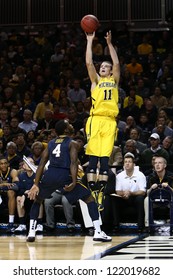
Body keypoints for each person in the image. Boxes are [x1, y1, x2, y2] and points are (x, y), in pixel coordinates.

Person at [26, 120, 111, 242]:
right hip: (64, 175)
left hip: (50, 175)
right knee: (89, 199)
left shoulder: (50, 143)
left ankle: (31, 232)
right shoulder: (72, 143)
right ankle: (98, 231)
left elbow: (41, 165)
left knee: (38, 200)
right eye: (69, 124)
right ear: (66, 130)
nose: (71, 125)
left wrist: (36, 184)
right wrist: (74, 182)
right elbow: (73, 162)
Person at [85, 30, 120, 210]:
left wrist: (109, 44)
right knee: (93, 158)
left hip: (110, 121)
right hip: (96, 120)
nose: (103, 68)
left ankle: (101, 192)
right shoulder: (96, 82)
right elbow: (89, 62)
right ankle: (92, 191)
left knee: (105, 159)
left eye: (105, 67)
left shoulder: (114, 80)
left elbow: (116, 62)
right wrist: (90, 41)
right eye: (102, 67)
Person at [111, 152, 146, 232]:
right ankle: (115, 225)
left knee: (140, 199)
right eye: (125, 162)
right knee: (114, 199)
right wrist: (125, 193)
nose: (127, 164)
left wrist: (130, 193)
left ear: (134, 164)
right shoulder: (119, 176)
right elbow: (118, 191)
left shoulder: (140, 175)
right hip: (123, 198)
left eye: (129, 162)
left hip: (135, 197)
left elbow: (143, 192)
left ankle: (140, 226)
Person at [14, 157, 43, 233]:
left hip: (36, 196)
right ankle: (22, 224)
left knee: (38, 197)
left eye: (32, 163)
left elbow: (39, 188)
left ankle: (39, 224)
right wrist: (24, 194)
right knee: (18, 198)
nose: (30, 164)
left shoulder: (38, 174)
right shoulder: (21, 176)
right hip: (25, 198)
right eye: (28, 163)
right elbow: (20, 189)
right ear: (24, 166)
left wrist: (25, 194)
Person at [144, 156, 173, 228]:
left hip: (169, 201)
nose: (157, 165)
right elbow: (147, 193)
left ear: (165, 165)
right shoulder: (151, 177)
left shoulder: (171, 176)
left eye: (160, 163)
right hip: (155, 201)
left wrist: (168, 187)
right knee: (146, 200)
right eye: (155, 163)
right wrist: (151, 188)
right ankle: (147, 224)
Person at [0, 157, 19, 233]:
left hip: (10, 196)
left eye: (5, 163)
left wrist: (2, 185)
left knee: (11, 192)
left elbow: (16, 185)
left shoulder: (13, 171)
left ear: (8, 164)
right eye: (1, 164)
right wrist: (5, 184)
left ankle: (11, 223)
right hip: (1, 195)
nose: (3, 165)